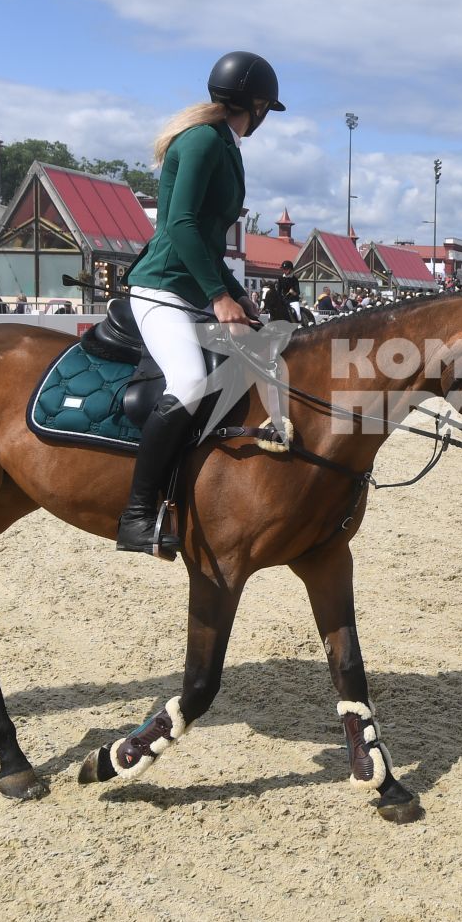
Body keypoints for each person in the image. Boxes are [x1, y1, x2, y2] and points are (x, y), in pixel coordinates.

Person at [116, 50, 280, 555]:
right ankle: (137, 515)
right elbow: (182, 225)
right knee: (189, 381)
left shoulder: (224, 145)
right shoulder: (203, 141)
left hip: (194, 290)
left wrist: (234, 293)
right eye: (264, 110)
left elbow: (207, 238)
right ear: (254, 103)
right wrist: (218, 295)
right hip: (162, 287)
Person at [267, 259, 302, 325]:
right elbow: (278, 291)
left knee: (298, 314)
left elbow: (298, 292)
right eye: (283, 269)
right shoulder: (280, 279)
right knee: (270, 314)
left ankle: (299, 326)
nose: (284, 270)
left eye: (285, 269)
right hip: (283, 301)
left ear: (290, 269)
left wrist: (293, 292)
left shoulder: (295, 279)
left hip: (293, 301)